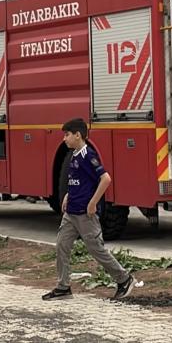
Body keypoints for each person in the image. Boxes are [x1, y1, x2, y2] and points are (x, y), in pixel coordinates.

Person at [42, 118, 135, 302]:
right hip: (71, 213)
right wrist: (68, 195)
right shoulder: (74, 155)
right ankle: (63, 288)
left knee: (96, 250)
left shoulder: (88, 155)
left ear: (78, 135)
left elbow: (105, 179)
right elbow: (76, 180)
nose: (64, 139)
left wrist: (93, 203)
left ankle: (124, 279)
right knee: (62, 245)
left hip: (85, 214)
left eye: (67, 135)